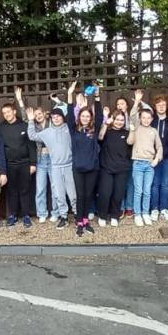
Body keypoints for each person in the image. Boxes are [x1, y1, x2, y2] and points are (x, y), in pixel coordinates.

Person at [26, 103, 76, 229]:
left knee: (72, 193)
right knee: (59, 193)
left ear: (63, 117)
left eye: (58, 116)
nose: (56, 118)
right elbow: (32, 136)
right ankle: (63, 216)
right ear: (51, 118)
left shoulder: (69, 128)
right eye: (54, 117)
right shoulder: (47, 132)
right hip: (55, 167)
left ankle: (77, 214)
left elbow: (72, 114)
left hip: (69, 165)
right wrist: (31, 121)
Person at [67, 86, 103, 236]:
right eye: (83, 116)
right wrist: (69, 94)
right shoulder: (73, 129)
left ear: (91, 118)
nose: (85, 118)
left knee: (88, 195)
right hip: (78, 168)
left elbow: (99, 115)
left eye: (88, 116)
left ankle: (86, 220)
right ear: (79, 117)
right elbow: (69, 114)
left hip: (92, 168)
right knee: (80, 195)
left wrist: (97, 96)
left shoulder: (94, 130)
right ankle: (79, 222)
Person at [18, 94, 57, 225]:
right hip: (40, 159)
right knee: (40, 188)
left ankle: (55, 212)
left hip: (53, 159)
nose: (38, 116)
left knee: (55, 187)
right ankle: (42, 213)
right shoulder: (33, 125)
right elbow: (25, 117)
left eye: (39, 113)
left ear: (44, 113)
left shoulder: (52, 123)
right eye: (35, 115)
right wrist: (20, 101)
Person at [0, 96, 37, 228]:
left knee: (25, 190)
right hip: (9, 164)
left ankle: (26, 215)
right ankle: (13, 215)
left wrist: (33, 163)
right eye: (4, 113)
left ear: (14, 112)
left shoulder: (24, 125)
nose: (6, 115)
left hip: (25, 163)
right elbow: (0, 149)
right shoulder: (1, 128)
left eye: (8, 112)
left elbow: (31, 146)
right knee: (12, 191)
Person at [127, 100, 163, 226]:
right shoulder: (136, 128)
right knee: (138, 191)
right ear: (140, 118)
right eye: (143, 117)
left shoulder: (154, 131)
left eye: (148, 118)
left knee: (147, 191)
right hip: (138, 163)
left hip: (149, 164)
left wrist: (156, 159)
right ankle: (138, 214)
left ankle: (145, 213)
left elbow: (160, 147)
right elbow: (132, 115)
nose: (146, 120)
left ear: (152, 119)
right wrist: (137, 102)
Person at [97, 107, 132, 227]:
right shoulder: (107, 131)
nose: (119, 122)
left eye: (122, 120)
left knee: (118, 194)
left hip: (122, 169)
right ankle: (102, 216)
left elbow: (132, 143)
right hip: (106, 168)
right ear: (113, 119)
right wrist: (106, 123)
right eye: (117, 119)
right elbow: (100, 137)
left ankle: (114, 216)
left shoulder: (127, 133)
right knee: (105, 193)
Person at [149, 93, 168, 222]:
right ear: (155, 106)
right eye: (158, 104)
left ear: (167, 106)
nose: (161, 107)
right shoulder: (151, 121)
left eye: (163, 104)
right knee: (155, 184)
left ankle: (164, 209)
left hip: (167, 158)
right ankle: (154, 209)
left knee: (165, 184)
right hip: (153, 158)